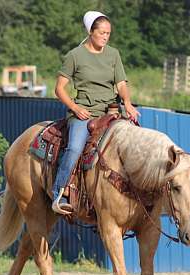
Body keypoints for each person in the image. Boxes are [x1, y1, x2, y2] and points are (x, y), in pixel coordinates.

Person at [52, 11, 140, 215]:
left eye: (108, 33)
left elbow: (121, 83)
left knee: (133, 143)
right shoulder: (75, 55)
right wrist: (75, 108)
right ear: (91, 32)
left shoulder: (113, 54)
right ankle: (58, 193)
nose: (105, 37)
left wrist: (127, 102)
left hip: (110, 112)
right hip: (85, 113)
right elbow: (59, 89)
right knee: (74, 148)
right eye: (101, 33)